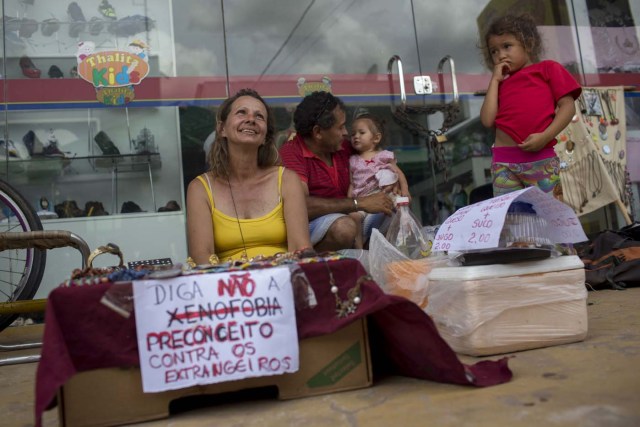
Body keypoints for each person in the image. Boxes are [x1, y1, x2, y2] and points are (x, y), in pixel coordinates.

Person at [186, 88, 311, 265]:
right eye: (241, 112)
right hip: (227, 287)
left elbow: (301, 249)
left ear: (266, 137)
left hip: (282, 282)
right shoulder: (199, 188)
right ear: (222, 129)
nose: (251, 119)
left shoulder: (287, 181)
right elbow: (202, 258)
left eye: (259, 116)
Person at [479, 13, 582, 197]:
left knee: (550, 217)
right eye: (494, 51)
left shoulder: (548, 69)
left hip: (540, 159)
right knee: (511, 219)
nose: (500, 55)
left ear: (528, 43)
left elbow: (568, 107)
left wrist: (545, 136)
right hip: (503, 162)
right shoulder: (500, 83)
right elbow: (487, 120)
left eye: (507, 46)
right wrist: (494, 80)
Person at [279, 91, 396, 252]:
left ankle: (371, 264)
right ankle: (326, 270)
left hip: (354, 219)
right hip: (316, 227)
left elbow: (379, 159)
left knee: (394, 214)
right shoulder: (292, 153)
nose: (346, 133)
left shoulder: (345, 147)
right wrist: (358, 203)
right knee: (344, 227)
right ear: (318, 132)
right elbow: (300, 205)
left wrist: (393, 179)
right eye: (340, 127)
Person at [348, 113, 409, 249]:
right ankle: (360, 247)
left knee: (400, 207)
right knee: (353, 216)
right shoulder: (353, 160)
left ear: (376, 138)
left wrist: (405, 191)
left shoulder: (384, 155)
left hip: (383, 193)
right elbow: (352, 183)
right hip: (363, 199)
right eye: (353, 134)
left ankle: (405, 236)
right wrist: (349, 202)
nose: (356, 136)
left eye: (361, 132)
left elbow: (399, 174)